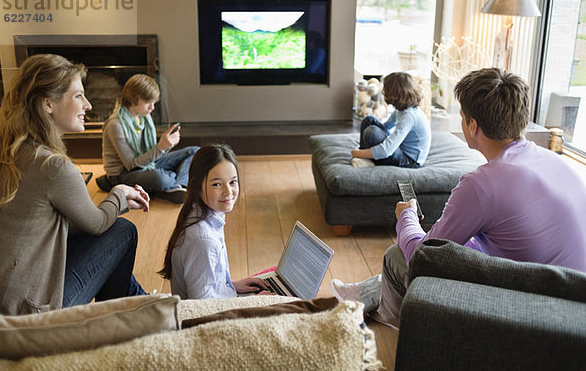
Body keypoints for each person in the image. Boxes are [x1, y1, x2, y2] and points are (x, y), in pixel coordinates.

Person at [331, 67, 586, 329]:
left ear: (472, 126)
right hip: (573, 302)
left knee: (397, 255)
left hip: (530, 312)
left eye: (462, 117)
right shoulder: (557, 162)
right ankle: (362, 295)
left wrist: (406, 215)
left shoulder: (482, 184)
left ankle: (397, 326)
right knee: (465, 247)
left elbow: (421, 257)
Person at [0, 54, 150, 318]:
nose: (87, 104)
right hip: (30, 313)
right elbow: (96, 223)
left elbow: (47, 225)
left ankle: (137, 301)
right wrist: (118, 193)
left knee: (100, 236)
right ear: (48, 104)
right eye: (78, 96)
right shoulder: (52, 166)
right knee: (122, 231)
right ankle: (125, 318)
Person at [158, 144, 270, 299]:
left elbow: (207, 282)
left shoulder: (202, 214)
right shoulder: (203, 240)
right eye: (217, 184)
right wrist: (254, 302)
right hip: (213, 317)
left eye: (232, 182)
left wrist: (231, 284)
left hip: (223, 302)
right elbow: (202, 307)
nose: (228, 192)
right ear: (197, 186)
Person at [102, 74, 199, 204]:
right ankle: (167, 184)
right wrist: (161, 148)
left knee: (195, 152)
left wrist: (168, 145)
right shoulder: (116, 125)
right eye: (148, 102)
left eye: (154, 102)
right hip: (122, 174)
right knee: (161, 178)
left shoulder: (143, 117)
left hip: (147, 164)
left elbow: (150, 155)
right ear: (134, 99)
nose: (152, 107)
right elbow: (131, 165)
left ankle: (178, 186)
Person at [352, 72, 431, 168]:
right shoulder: (402, 108)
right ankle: (366, 157)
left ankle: (364, 157)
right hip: (400, 149)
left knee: (371, 132)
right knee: (369, 120)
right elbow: (386, 127)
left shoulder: (409, 116)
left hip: (409, 161)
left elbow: (386, 150)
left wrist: (357, 153)